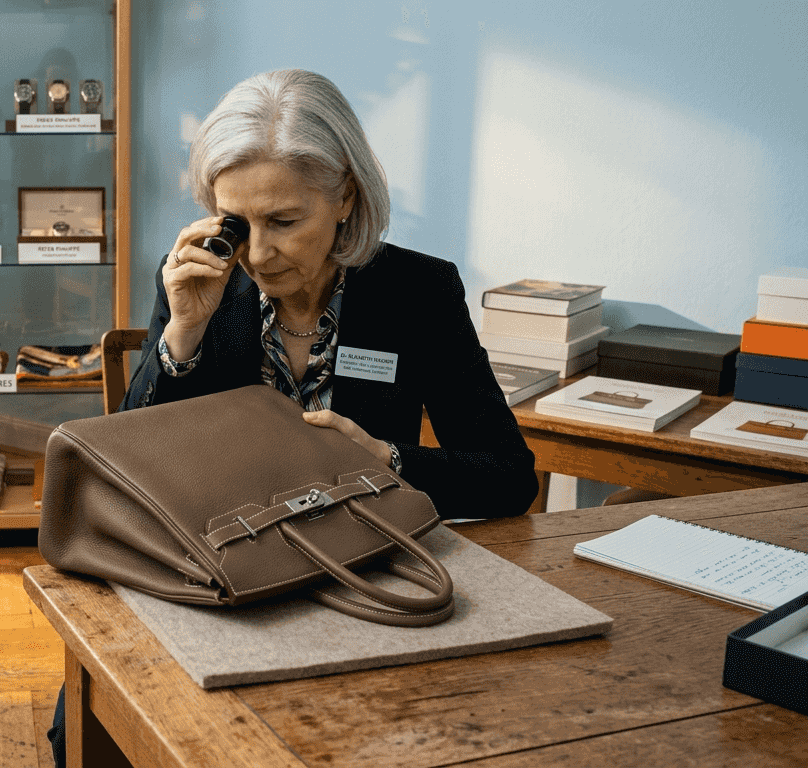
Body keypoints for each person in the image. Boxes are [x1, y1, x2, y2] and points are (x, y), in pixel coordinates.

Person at [46, 68, 537, 766]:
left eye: (285, 221)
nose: (259, 252)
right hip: (215, 568)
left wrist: (387, 462)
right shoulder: (201, 280)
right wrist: (182, 335)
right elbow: (118, 469)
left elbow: (511, 478)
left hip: (362, 570)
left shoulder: (418, 291)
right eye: (236, 223)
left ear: (347, 198)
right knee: (89, 728)